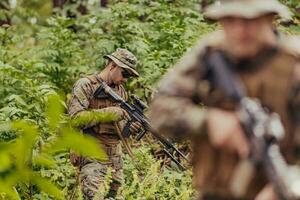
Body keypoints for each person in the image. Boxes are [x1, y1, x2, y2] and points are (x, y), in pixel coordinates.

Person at [149, 0, 300, 199]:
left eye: (250, 20)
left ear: (270, 18)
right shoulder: (211, 52)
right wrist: (207, 121)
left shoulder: (293, 62)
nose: (239, 30)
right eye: (230, 20)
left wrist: (285, 186)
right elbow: (159, 112)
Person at [68, 48, 141, 199]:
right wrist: (107, 113)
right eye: (125, 73)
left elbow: (117, 125)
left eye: (129, 76)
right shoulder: (86, 85)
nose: (126, 79)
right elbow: (75, 119)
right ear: (112, 65)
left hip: (115, 160)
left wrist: (129, 128)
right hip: (93, 156)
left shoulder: (121, 91)